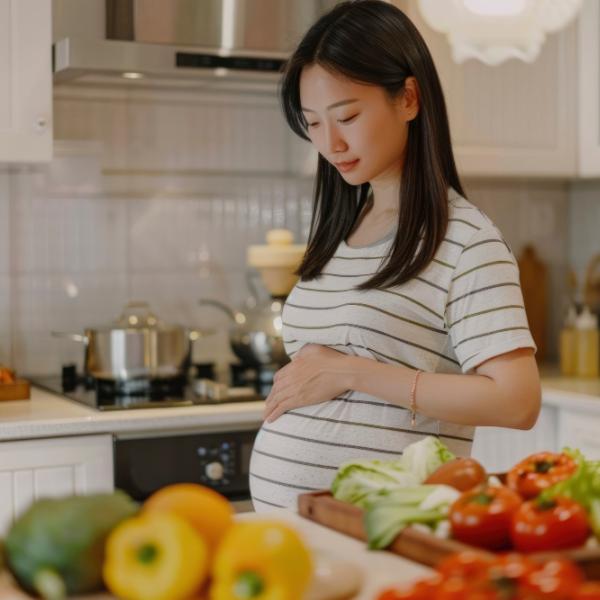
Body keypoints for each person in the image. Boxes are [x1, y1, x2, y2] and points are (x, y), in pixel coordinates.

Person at [249, 0, 541, 511]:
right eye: (313, 123)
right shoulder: (338, 230)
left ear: (408, 97)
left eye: (347, 116)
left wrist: (353, 372)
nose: (331, 143)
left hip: (387, 533)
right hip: (297, 539)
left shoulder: (466, 242)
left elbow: (518, 401)